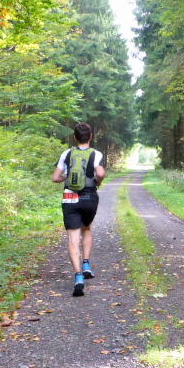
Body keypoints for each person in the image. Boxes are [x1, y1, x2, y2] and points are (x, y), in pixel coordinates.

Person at [52, 123, 106, 296]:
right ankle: (86, 264)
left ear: (75, 137)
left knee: (72, 238)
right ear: (90, 137)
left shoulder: (67, 153)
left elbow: (55, 178)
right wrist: (97, 182)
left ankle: (78, 277)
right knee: (86, 229)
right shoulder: (96, 154)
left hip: (70, 196)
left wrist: (67, 178)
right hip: (89, 196)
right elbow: (100, 174)